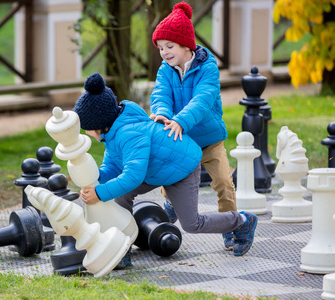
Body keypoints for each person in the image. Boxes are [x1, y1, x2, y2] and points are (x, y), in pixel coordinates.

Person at [74, 72, 257, 268]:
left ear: (98, 125)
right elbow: (113, 165)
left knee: (192, 224)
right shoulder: (114, 131)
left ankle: (242, 221)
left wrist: (100, 193)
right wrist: (97, 180)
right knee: (121, 195)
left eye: (86, 128)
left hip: (182, 167)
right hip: (156, 169)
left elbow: (133, 176)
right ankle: (122, 248)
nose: (86, 132)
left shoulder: (129, 134)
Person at [149, 2, 237, 250]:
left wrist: (180, 120)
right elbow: (161, 96)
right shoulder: (165, 70)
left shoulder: (208, 68)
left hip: (209, 139)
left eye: (170, 46)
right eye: (160, 48)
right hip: (182, 140)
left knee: (223, 183)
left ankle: (231, 227)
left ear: (186, 45)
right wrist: (163, 116)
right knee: (170, 178)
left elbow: (202, 100)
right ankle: (170, 206)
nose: (164, 52)